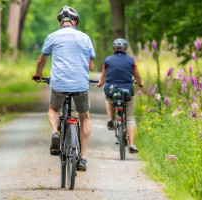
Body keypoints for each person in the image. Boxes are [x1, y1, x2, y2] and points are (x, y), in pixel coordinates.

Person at [31, 6, 95, 171]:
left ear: (60, 22)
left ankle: (55, 133)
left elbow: (41, 60)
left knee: (53, 109)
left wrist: (39, 74)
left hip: (59, 84)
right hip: (80, 84)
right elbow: (91, 65)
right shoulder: (85, 38)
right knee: (85, 116)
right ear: (75, 22)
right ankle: (82, 158)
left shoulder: (52, 36)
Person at [96, 38, 143, 153]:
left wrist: (100, 84)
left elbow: (103, 78)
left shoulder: (107, 60)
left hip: (111, 91)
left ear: (113, 48)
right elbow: (137, 76)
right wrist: (140, 83)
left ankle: (111, 119)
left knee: (108, 100)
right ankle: (132, 144)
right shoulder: (131, 61)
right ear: (125, 48)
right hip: (127, 91)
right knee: (130, 118)